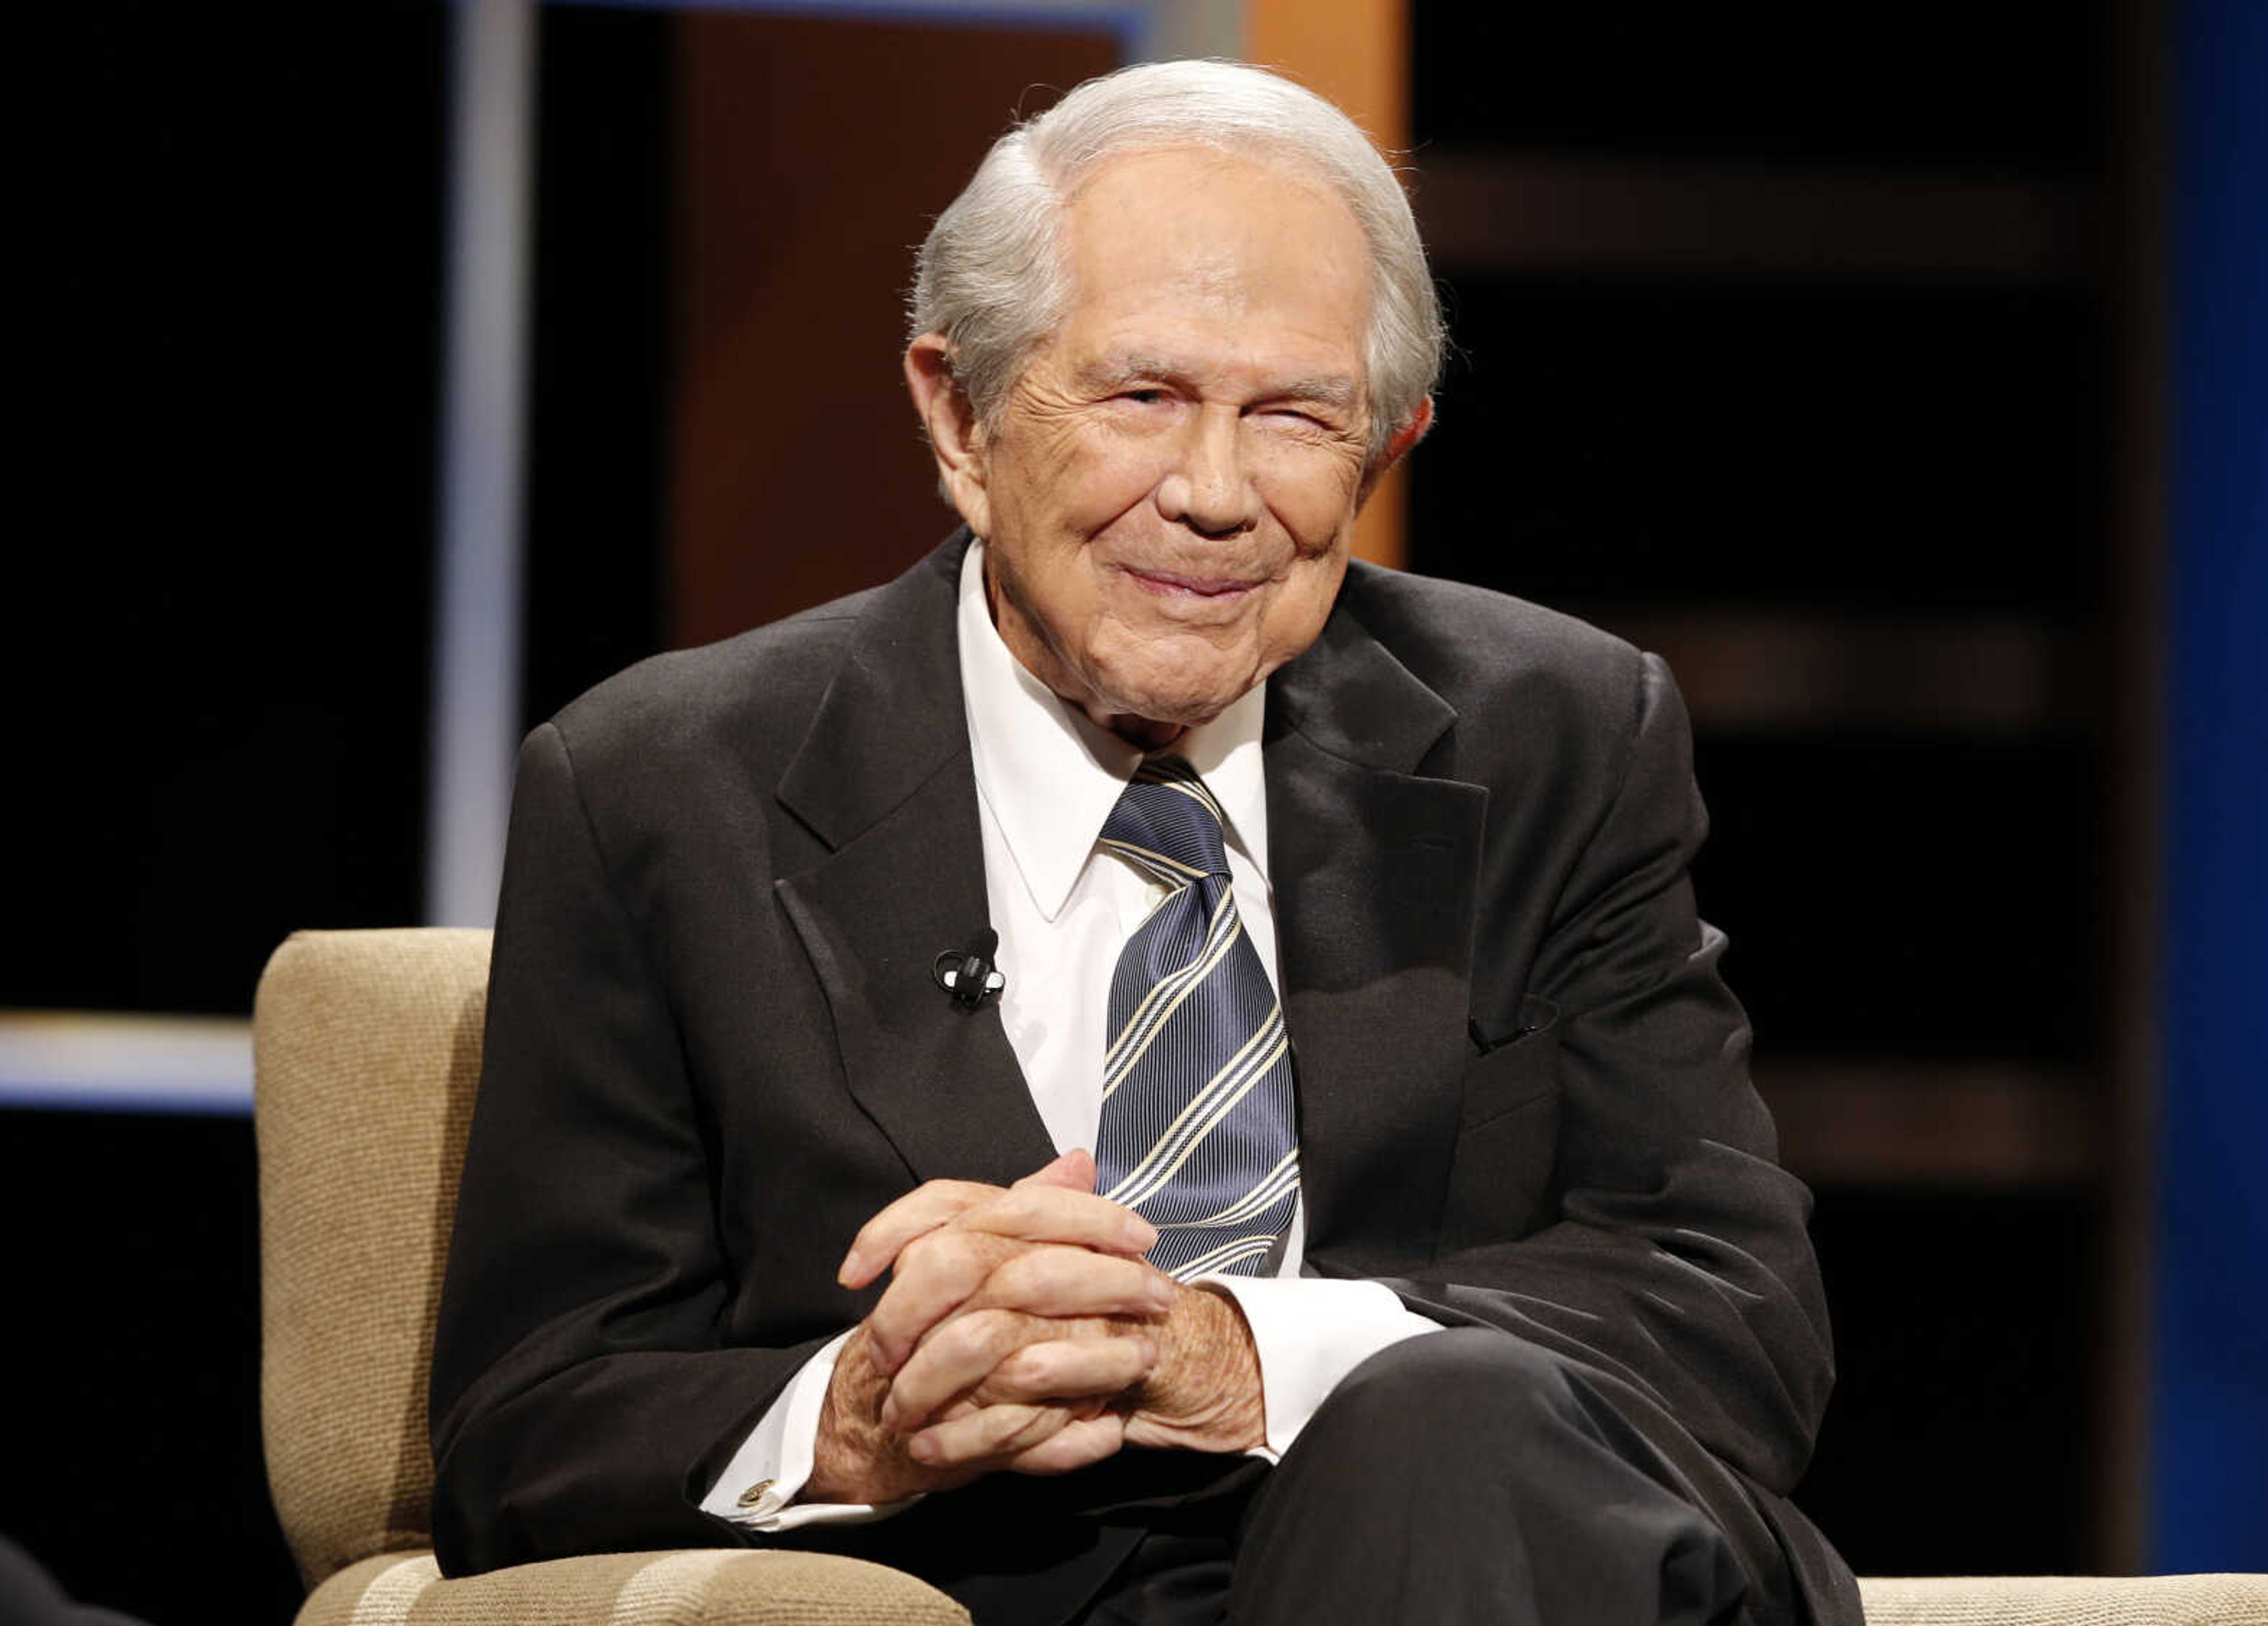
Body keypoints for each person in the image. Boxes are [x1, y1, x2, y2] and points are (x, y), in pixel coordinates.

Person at [429, 59, 1860, 1626]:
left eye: (1298, 417)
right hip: (1033, 1591)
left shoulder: (1555, 734)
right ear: (961, 417)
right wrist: (857, 1417)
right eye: (1143, 397)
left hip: (1522, 1566)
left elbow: (1733, 1315)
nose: (1214, 494)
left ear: (1386, 451)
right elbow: (531, 1426)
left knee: (1445, 1423)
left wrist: (1224, 1350)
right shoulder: (662, 788)